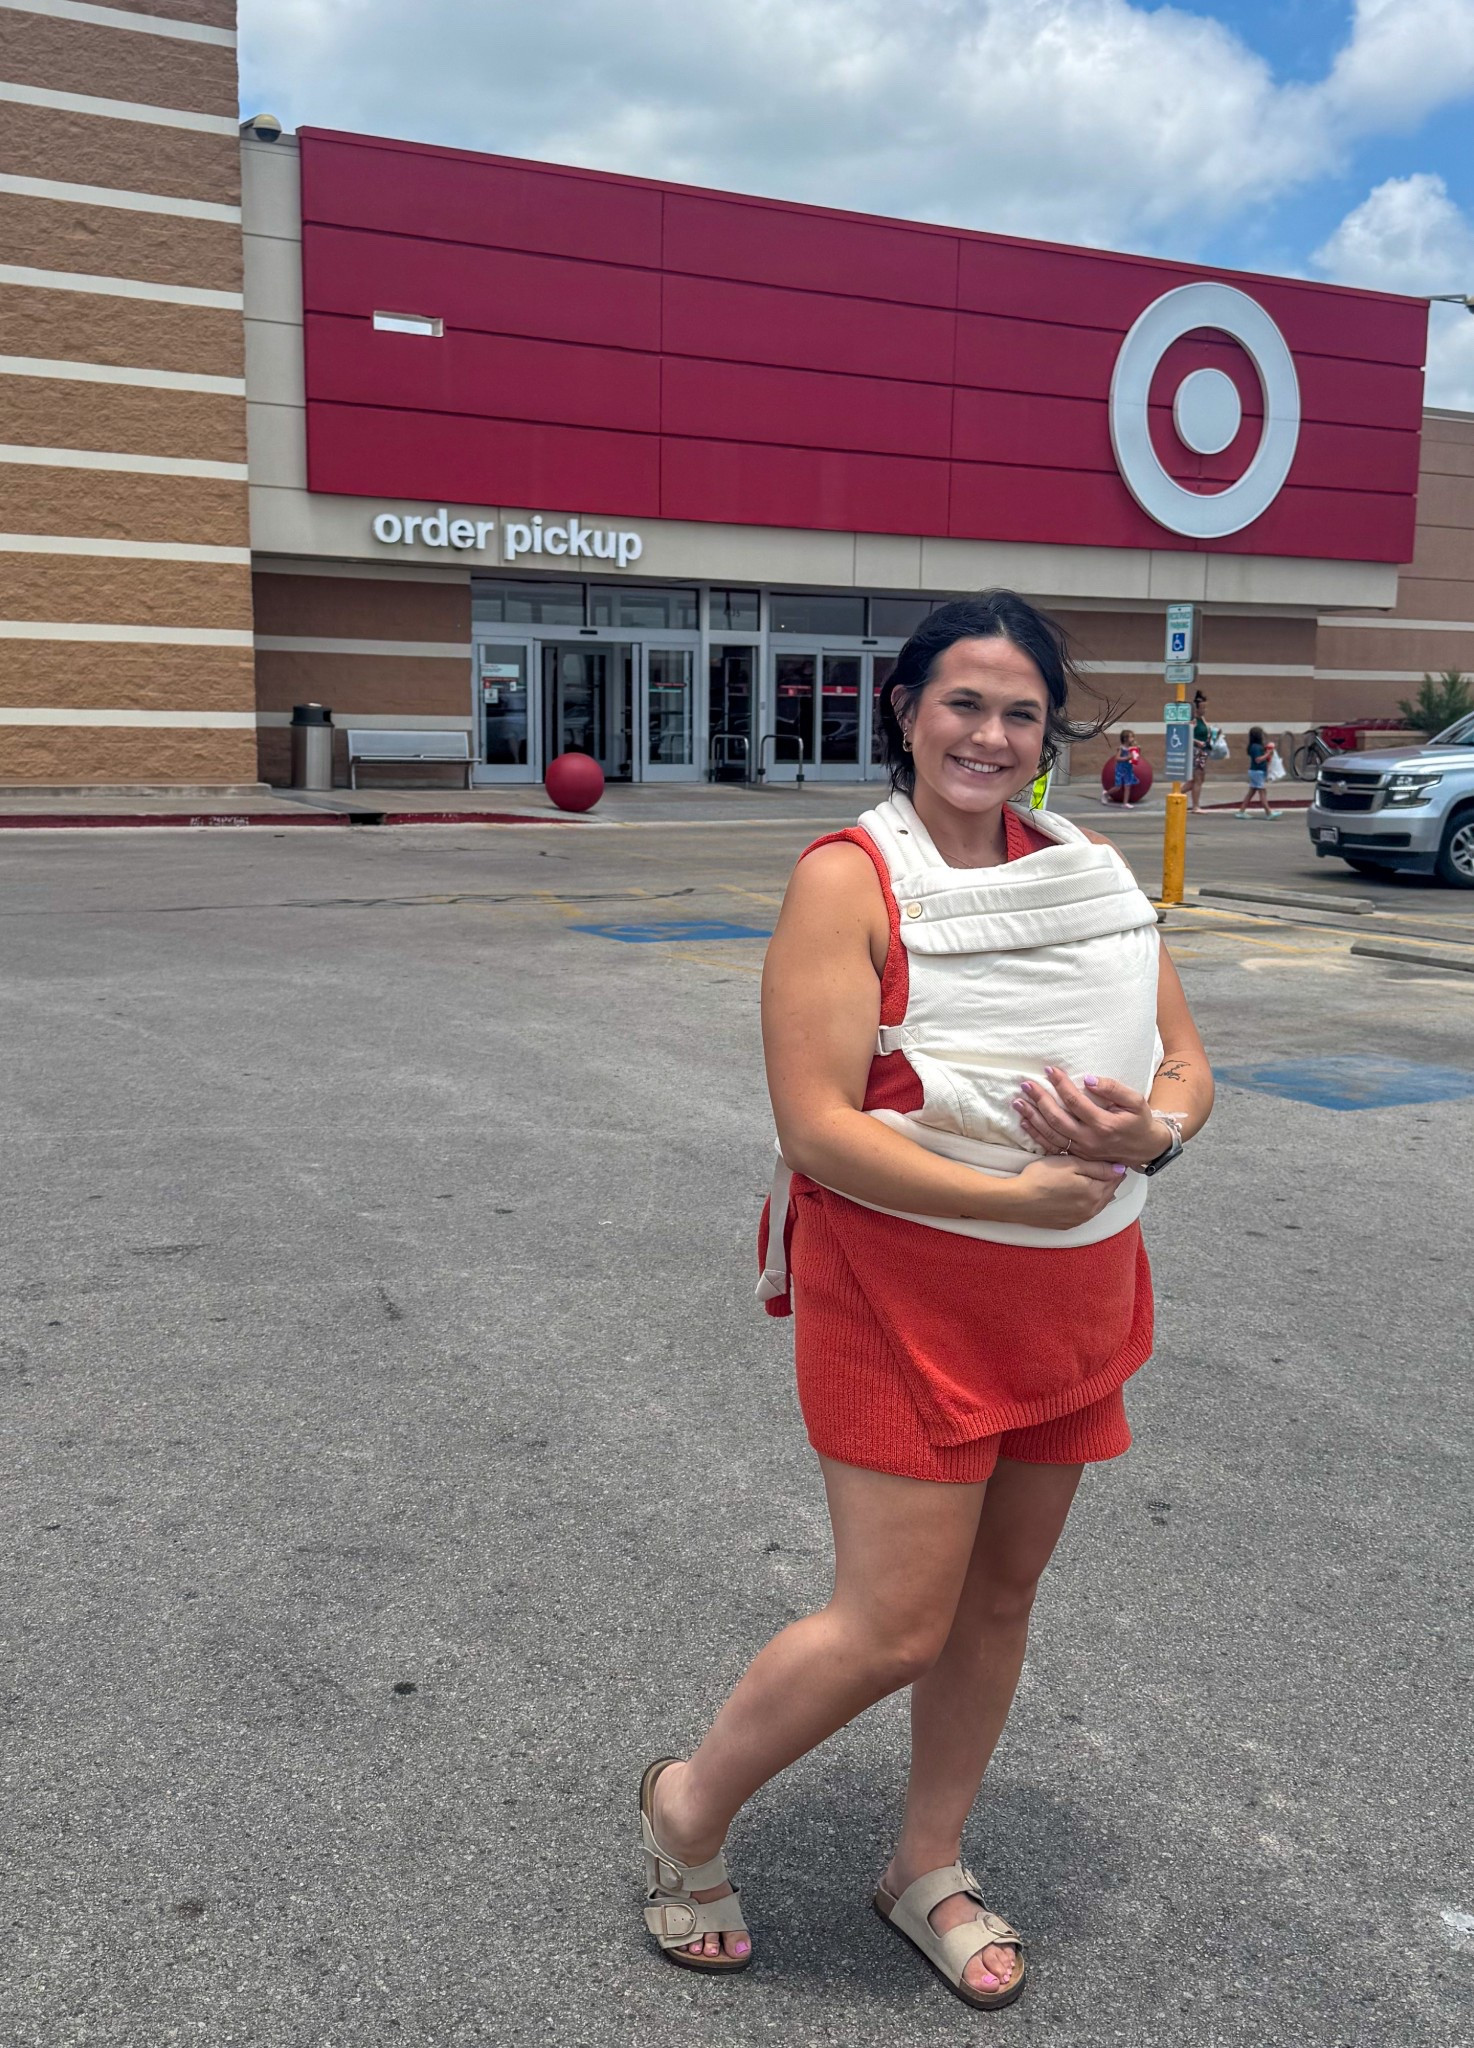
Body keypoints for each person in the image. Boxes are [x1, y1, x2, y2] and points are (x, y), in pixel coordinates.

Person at [638, 592, 1214, 2011]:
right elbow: (818, 1123)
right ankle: (686, 1803)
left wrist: (1152, 1133)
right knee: (893, 1622)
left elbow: (1183, 1064)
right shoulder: (849, 880)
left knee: (997, 1600)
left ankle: (924, 1861)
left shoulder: (1085, 872)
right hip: (903, 1288)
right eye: (963, 701)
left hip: (1073, 1289)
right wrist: (1014, 1198)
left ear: (1047, 734)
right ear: (905, 710)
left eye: (1021, 712)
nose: (990, 735)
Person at [1236, 726, 1282, 819]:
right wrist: (1268, 753)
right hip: (1257, 772)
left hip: (1256, 771)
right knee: (1262, 792)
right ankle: (1268, 813)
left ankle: (1241, 811)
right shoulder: (1256, 747)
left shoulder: (1254, 746)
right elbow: (1258, 759)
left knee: (1251, 792)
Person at [1103, 727, 1142, 803]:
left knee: (1127, 786)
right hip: (1120, 769)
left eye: (1133, 736)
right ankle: (1106, 794)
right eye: (1131, 737)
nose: (1132, 738)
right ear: (1125, 738)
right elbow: (1117, 758)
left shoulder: (1132, 747)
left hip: (1128, 769)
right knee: (1118, 786)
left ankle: (1125, 803)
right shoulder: (1121, 748)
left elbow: (1135, 758)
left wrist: (1137, 751)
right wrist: (1127, 758)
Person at [1190, 690, 1211, 813]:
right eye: (1203, 708)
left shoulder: (1202, 719)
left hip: (1203, 751)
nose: (1204, 710)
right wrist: (1197, 741)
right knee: (1197, 778)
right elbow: (1186, 735)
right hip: (1196, 751)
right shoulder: (1193, 720)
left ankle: (1179, 793)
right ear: (1197, 709)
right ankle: (1195, 806)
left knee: (1200, 778)